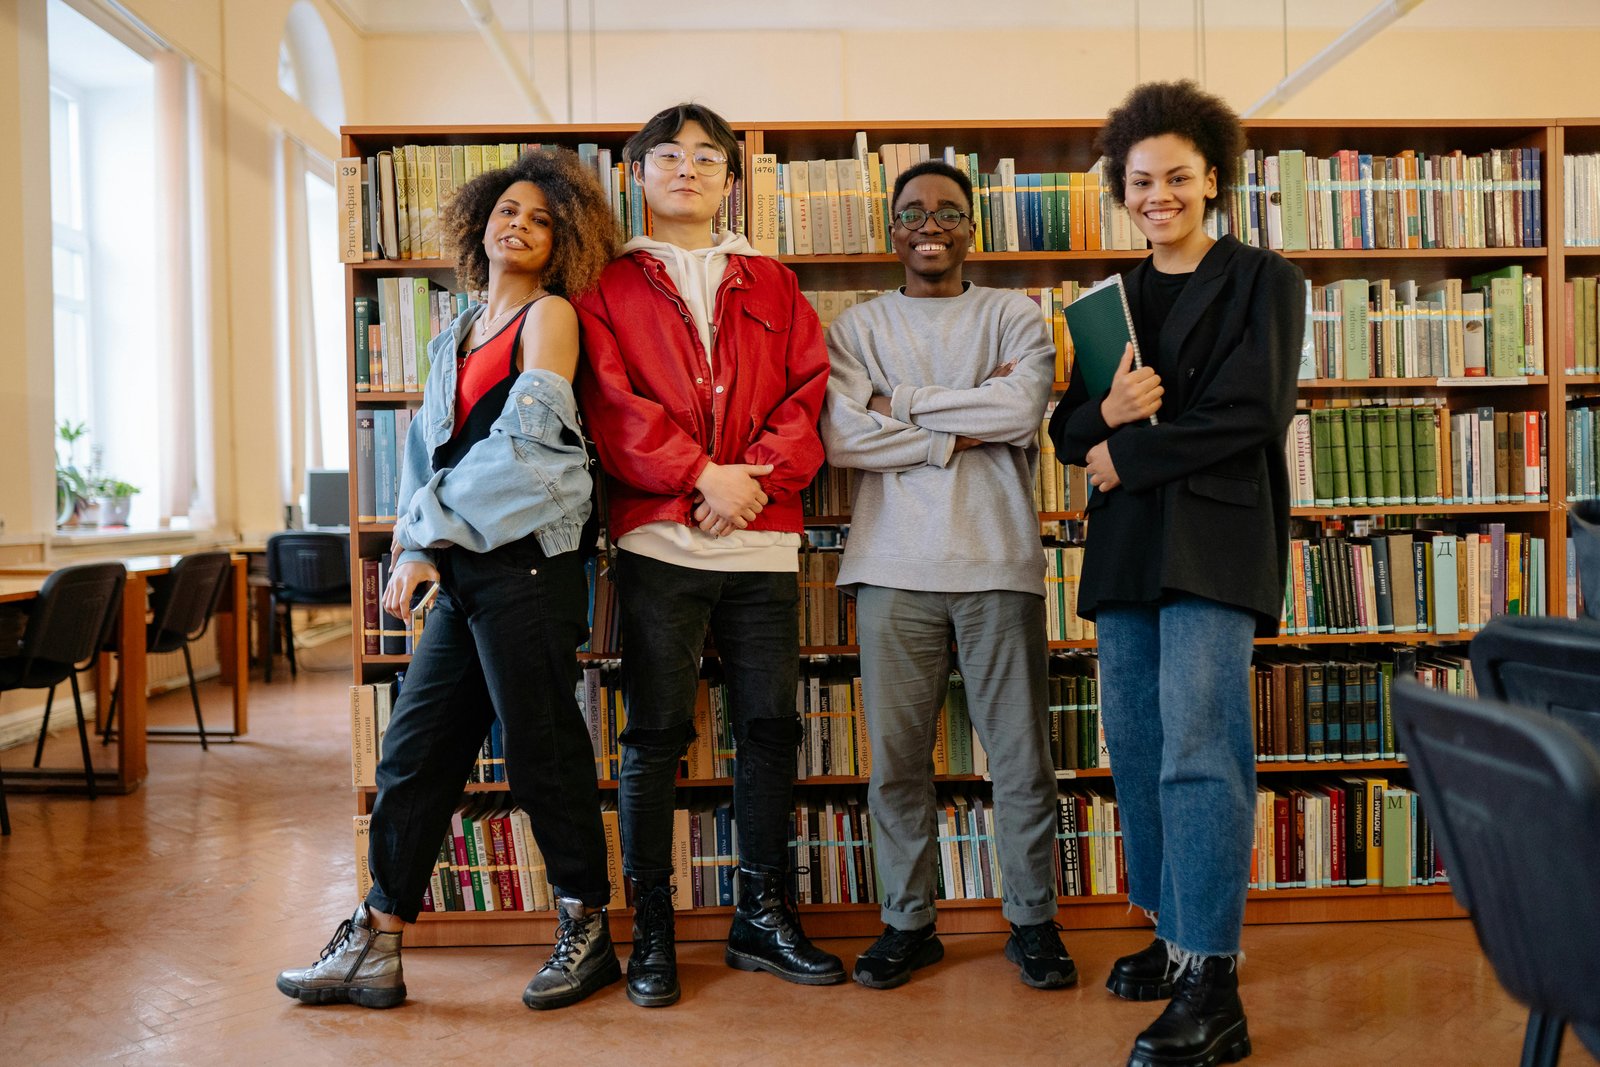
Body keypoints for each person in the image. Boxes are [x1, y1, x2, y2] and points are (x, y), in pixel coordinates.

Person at [276, 149, 621, 1012]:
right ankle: (378, 938)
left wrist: (428, 532)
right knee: (414, 752)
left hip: (531, 563)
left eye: (541, 218)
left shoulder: (551, 319)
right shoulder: (450, 336)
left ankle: (587, 927)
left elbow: (528, 456)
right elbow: (426, 459)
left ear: (562, 239)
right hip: (464, 568)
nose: (519, 224)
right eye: (508, 209)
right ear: (479, 221)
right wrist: (414, 547)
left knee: (542, 750)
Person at [1048, 81, 1305, 1067]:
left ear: (1213, 181)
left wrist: (1127, 456)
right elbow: (1068, 428)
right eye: (1140, 180)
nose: (1157, 194)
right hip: (1125, 551)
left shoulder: (1263, 281)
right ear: (1123, 189)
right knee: (1142, 743)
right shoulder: (1107, 299)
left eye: (1177, 178)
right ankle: (1169, 928)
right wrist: (1104, 421)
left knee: (1200, 747)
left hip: (1215, 541)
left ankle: (1214, 979)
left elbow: (1252, 414)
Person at [573, 103, 841, 1008]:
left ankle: (761, 915)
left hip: (762, 544)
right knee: (653, 734)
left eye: (706, 158)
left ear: (731, 177)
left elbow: (809, 393)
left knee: (769, 727)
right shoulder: (604, 285)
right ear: (637, 172)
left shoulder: (774, 281)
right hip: (657, 538)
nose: (687, 170)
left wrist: (752, 480)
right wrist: (699, 477)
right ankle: (651, 931)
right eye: (668, 156)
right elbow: (610, 405)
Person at [820, 159, 1078, 992]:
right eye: (912, 212)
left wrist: (902, 404)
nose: (929, 223)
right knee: (897, 761)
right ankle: (909, 924)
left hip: (998, 564)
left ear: (973, 227)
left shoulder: (1014, 315)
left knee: (1021, 758)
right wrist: (950, 426)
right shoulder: (856, 326)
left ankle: (1032, 921)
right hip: (891, 568)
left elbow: (1017, 412)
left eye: (948, 211)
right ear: (891, 229)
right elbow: (843, 440)